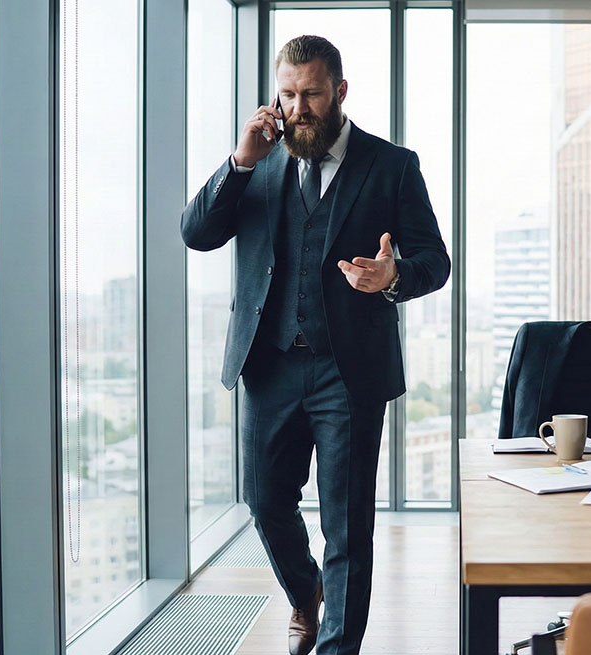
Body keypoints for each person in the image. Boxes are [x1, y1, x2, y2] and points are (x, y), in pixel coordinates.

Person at [180, 35, 450, 655]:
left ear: (340, 93)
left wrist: (394, 277)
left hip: (348, 372)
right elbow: (197, 233)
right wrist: (239, 161)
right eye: (288, 94)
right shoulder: (258, 165)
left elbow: (436, 259)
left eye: (312, 94)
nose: (299, 108)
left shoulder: (391, 166)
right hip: (268, 365)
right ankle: (306, 595)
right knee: (266, 502)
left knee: (346, 526)